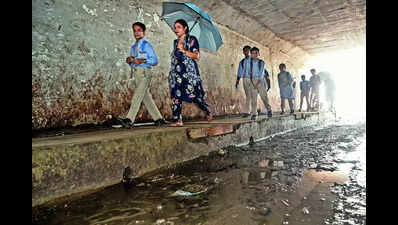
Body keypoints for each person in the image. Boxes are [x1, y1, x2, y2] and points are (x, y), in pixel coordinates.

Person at [118, 22, 166, 129]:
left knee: (138, 95)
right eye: (134, 30)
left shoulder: (147, 45)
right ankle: (158, 118)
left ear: (144, 33)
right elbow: (133, 62)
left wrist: (143, 60)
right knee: (145, 97)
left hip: (145, 72)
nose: (136, 33)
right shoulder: (133, 47)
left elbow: (154, 60)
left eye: (139, 30)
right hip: (137, 73)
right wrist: (130, 61)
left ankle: (129, 119)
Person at [168, 19, 212, 127]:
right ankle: (178, 119)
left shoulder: (191, 39)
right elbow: (175, 58)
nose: (176, 29)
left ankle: (207, 110)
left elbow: (196, 56)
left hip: (189, 72)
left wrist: (183, 50)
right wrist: (171, 71)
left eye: (178, 27)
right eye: (175, 27)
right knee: (175, 95)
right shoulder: (175, 42)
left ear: (185, 28)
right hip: (177, 73)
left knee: (194, 95)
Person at [248, 47, 272, 120]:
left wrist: (257, 82)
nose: (254, 54)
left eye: (256, 53)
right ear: (251, 54)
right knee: (253, 98)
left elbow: (261, 73)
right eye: (252, 53)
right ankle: (254, 114)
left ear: (258, 54)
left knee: (264, 97)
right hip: (252, 80)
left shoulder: (261, 62)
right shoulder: (250, 63)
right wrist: (252, 80)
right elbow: (249, 72)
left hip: (261, 80)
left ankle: (269, 109)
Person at [235, 45, 253, 118]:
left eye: (247, 50)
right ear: (243, 52)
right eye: (245, 51)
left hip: (253, 79)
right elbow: (239, 72)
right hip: (245, 79)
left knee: (252, 95)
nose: (246, 52)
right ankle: (253, 110)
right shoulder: (242, 62)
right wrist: (237, 81)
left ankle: (248, 111)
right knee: (248, 95)